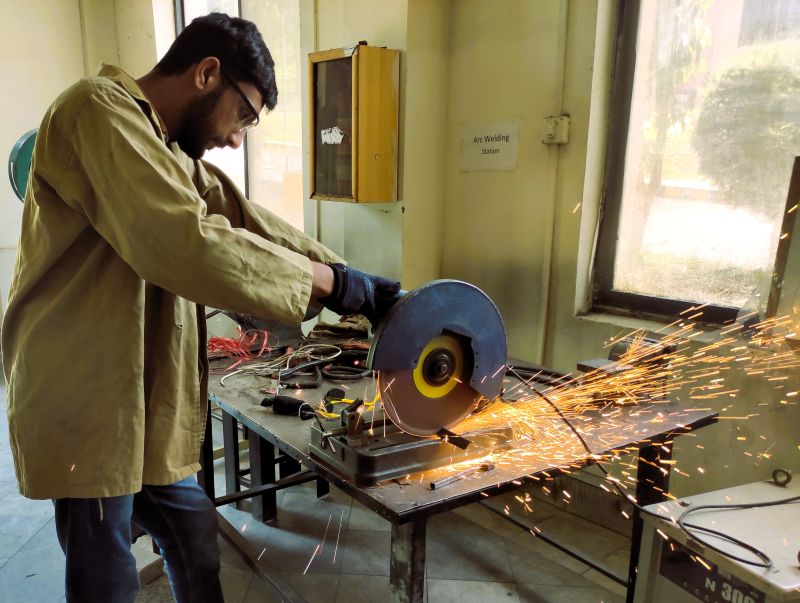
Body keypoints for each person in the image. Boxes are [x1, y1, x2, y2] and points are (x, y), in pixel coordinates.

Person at [1, 12, 399, 603]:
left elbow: (245, 221)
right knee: (105, 572)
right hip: (87, 399)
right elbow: (185, 241)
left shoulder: (164, 149)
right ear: (207, 73)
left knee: (193, 538)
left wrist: (353, 281)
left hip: (142, 399)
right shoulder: (96, 110)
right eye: (243, 114)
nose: (237, 139)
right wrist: (328, 285)